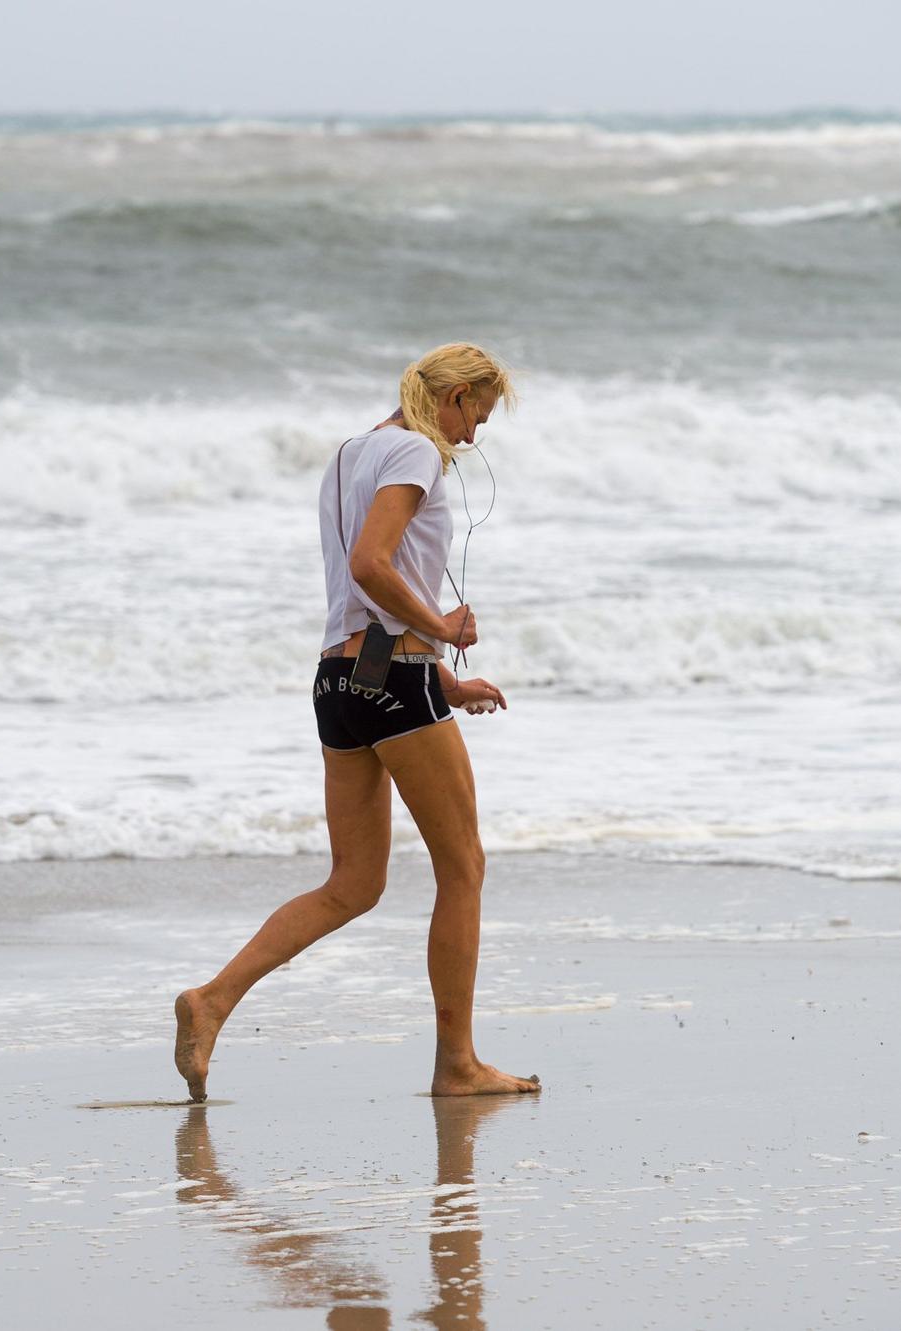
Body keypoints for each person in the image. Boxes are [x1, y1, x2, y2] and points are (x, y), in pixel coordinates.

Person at [173, 342, 542, 1100]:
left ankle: (212, 999)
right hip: (393, 680)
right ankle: (458, 1064)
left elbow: (360, 599)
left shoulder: (350, 453)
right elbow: (373, 567)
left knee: (353, 883)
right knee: (464, 866)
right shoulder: (417, 453)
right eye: (478, 415)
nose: (473, 437)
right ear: (457, 395)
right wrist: (438, 627)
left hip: (342, 680)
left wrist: (443, 675)